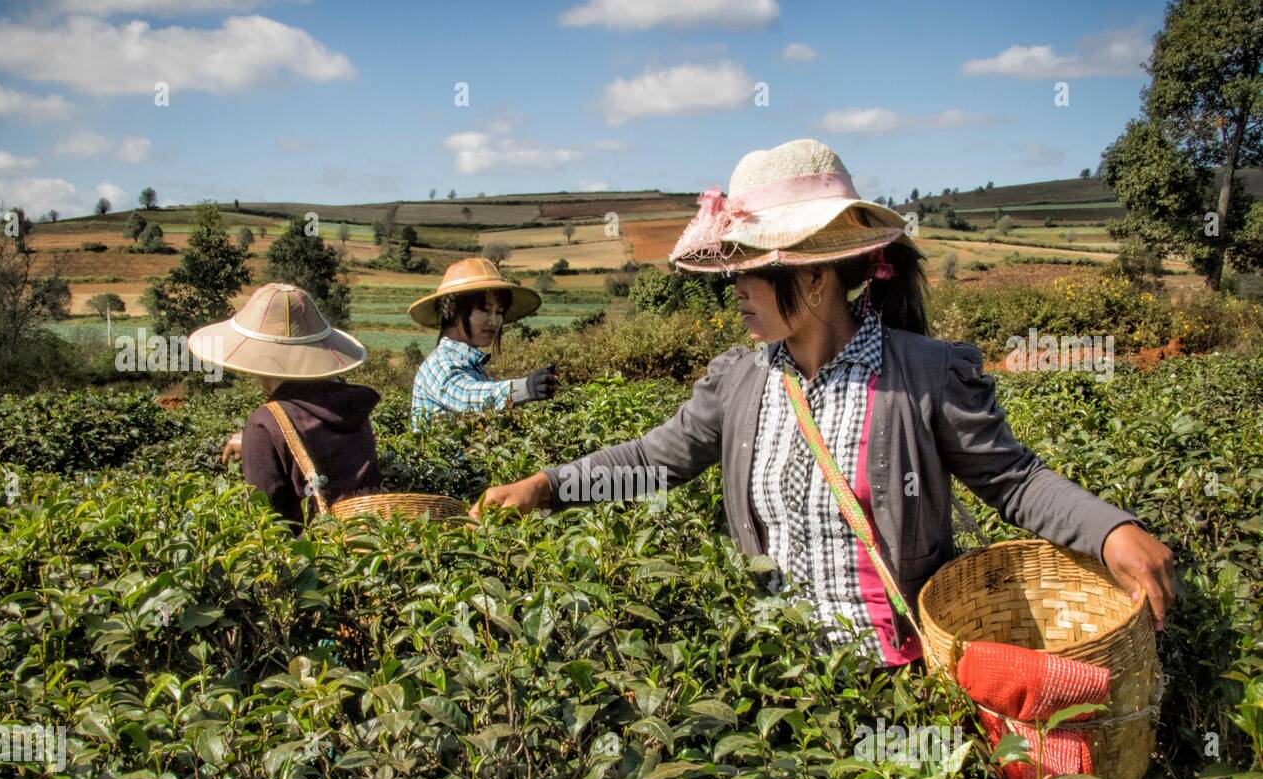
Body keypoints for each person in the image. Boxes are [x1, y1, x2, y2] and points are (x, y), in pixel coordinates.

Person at [469, 138, 1175, 668]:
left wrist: (1110, 531)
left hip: (900, 679)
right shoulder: (740, 382)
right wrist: (548, 487)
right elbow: (655, 460)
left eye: (751, 271)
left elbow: (1013, 480)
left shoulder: (922, 377)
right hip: (787, 682)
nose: (736, 289)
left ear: (813, 279)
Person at [194, 282, 382, 530]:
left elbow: (268, 523)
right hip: (369, 543)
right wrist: (259, 441)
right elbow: (316, 439)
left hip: (315, 561)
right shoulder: (351, 405)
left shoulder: (265, 423)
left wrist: (259, 439)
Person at [408, 257, 557, 428]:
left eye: (499, 312)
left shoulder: (473, 367)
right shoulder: (439, 363)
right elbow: (466, 396)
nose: (494, 321)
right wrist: (523, 388)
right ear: (453, 310)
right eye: (485, 310)